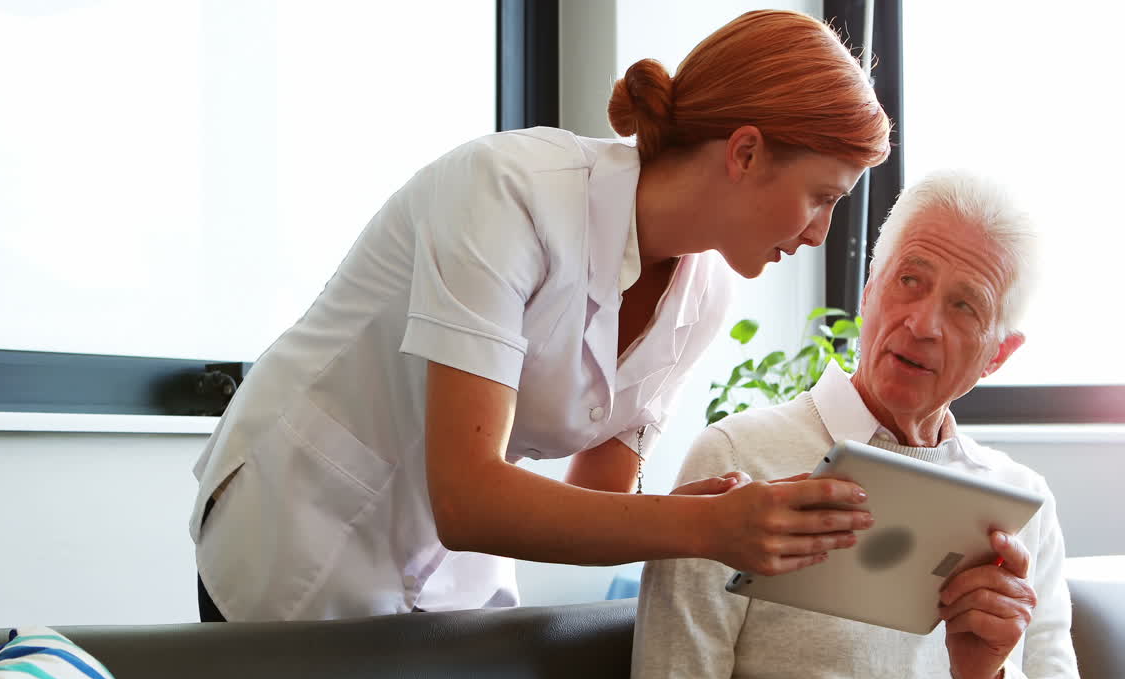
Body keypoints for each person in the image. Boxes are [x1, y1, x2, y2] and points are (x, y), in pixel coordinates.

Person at [190, 9, 891, 623]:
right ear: (744, 152)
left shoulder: (705, 295)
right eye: (821, 197)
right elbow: (468, 499)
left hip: (449, 580)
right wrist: (706, 525)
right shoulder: (509, 192)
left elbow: (599, 494)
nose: (819, 236)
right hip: (298, 529)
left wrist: (714, 511)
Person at [629, 170, 1089, 679]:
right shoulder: (737, 457)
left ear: (998, 356)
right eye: (909, 281)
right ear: (869, 292)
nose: (922, 323)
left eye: (965, 306)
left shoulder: (1022, 503)